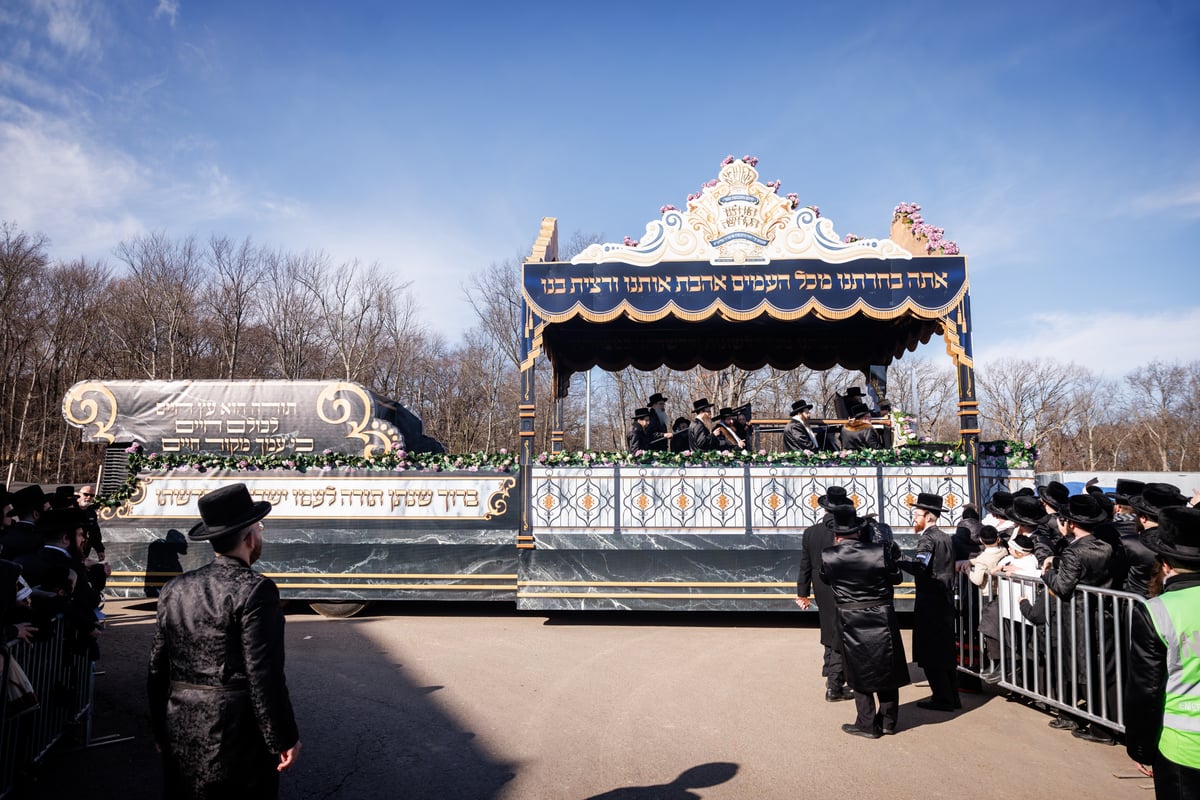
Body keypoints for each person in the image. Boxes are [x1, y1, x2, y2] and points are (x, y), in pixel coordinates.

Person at [148, 483, 301, 799]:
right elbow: (264, 674)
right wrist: (282, 737)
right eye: (259, 527)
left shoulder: (175, 588)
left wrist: (160, 728)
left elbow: (157, 667)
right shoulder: (256, 590)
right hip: (235, 733)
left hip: (181, 726)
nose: (261, 532)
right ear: (249, 538)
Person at [1125, 506, 1200, 798]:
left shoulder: (1158, 611)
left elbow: (1146, 688)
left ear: (1165, 564)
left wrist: (1141, 747)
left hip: (1182, 746)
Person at [819, 504, 909, 738]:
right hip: (881, 614)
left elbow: (825, 579)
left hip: (851, 616)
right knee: (886, 668)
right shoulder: (878, 552)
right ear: (858, 531)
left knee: (858, 671)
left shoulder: (829, 555)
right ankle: (889, 721)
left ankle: (867, 723)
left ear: (837, 535)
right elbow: (897, 578)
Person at [1041, 493, 1116, 744]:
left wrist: (1047, 572)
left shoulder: (1075, 553)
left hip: (1076, 616)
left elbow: (1063, 586)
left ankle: (1096, 726)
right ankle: (1087, 718)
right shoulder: (1105, 546)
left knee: (1080, 669)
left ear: (1071, 523)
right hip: (1100, 614)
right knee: (1094, 668)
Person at [898, 492, 960, 711]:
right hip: (944, 600)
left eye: (917, 514)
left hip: (931, 601)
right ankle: (951, 696)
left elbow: (920, 567)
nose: (914, 518)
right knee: (944, 650)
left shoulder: (928, 538)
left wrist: (899, 560)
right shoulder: (945, 537)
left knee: (931, 651)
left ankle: (942, 699)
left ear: (929, 516)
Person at [795, 486, 855, 703]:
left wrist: (803, 593)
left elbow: (805, 565)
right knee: (841, 633)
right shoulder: (846, 531)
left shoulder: (811, 532)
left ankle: (828, 669)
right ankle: (835, 685)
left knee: (829, 627)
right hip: (842, 586)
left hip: (820, 588)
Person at [75, 484, 106, 561]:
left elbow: (95, 532)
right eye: (86, 494)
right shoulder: (72, 508)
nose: (89, 497)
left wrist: (99, 550)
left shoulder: (91, 512)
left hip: (84, 550)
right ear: (79, 494)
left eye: (91, 495)